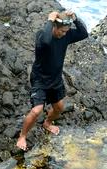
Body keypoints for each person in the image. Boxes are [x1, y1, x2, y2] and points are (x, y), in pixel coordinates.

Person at [16, 10, 88, 151]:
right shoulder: (42, 36)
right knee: (37, 110)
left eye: (66, 31)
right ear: (54, 27)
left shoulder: (65, 36)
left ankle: (47, 123)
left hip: (55, 79)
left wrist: (75, 18)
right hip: (40, 80)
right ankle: (22, 136)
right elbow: (47, 41)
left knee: (60, 108)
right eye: (62, 31)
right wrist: (50, 20)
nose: (64, 34)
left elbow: (84, 34)